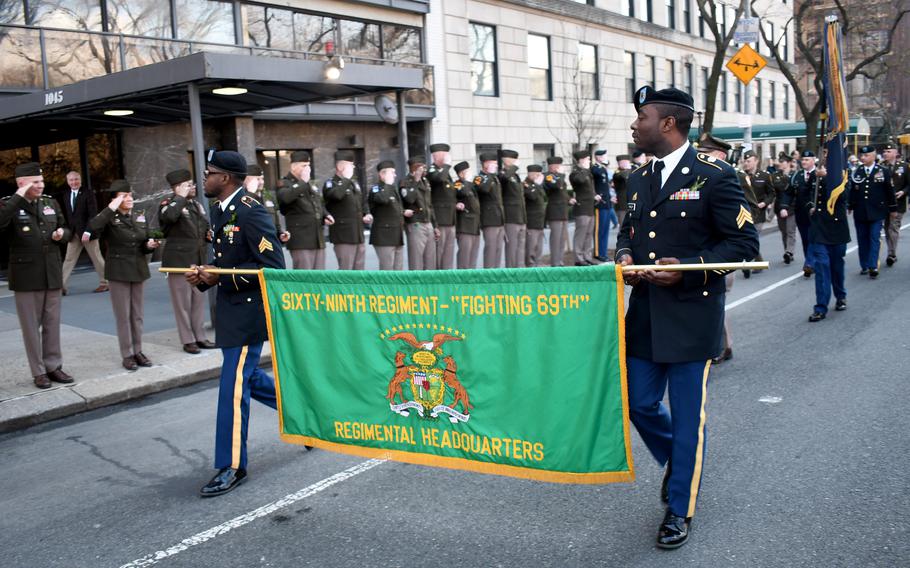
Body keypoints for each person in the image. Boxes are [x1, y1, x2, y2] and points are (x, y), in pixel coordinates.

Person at [616, 86, 759, 549]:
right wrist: (624, 259)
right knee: (638, 403)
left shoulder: (714, 175)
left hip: (691, 315)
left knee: (687, 419)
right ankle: (679, 466)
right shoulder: (638, 178)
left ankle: (680, 508)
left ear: (668, 124)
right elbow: (628, 234)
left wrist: (684, 272)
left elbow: (743, 246)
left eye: (642, 117)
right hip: (644, 318)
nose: (635, 125)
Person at [186, 150, 286, 497]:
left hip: (248, 314)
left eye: (208, 172)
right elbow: (226, 260)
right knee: (251, 378)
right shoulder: (219, 210)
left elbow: (273, 269)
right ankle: (303, 409)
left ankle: (231, 466)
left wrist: (219, 279)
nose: (204, 177)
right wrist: (204, 276)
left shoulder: (251, 211)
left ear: (226, 177)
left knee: (232, 387)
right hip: (229, 311)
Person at [0, 162, 73, 389]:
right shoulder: (8, 205)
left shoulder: (50, 203)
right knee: (31, 327)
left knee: (52, 323)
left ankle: (53, 366)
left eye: (41, 181)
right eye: (35, 182)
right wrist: (18, 196)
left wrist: (62, 234)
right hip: (26, 275)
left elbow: (68, 229)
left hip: (51, 272)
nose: (41, 185)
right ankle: (38, 371)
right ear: (22, 183)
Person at [89, 180, 159, 371]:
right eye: (123, 196)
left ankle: (138, 350)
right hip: (118, 271)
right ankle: (127, 354)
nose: (129, 199)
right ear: (114, 200)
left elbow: (142, 241)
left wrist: (149, 246)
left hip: (137, 268)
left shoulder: (139, 215)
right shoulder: (109, 218)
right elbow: (92, 228)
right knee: (123, 316)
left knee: (137, 315)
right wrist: (110, 208)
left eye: (129, 195)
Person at [158, 169, 215, 354]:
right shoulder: (168, 204)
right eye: (188, 184)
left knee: (198, 300)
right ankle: (187, 339)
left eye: (192, 184)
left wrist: (208, 235)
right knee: (182, 304)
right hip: (178, 262)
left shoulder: (196, 205)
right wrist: (179, 197)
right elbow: (169, 218)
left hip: (197, 259)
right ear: (178, 187)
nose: (193, 187)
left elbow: (204, 226)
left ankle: (200, 336)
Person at [695, 132, 735, 364]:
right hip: (708, 250)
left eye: (705, 153)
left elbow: (743, 211)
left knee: (714, 298)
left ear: (719, 154)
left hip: (722, 250)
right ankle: (725, 344)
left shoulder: (728, 177)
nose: (700, 157)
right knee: (714, 300)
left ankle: (719, 346)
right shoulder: (708, 176)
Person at [807, 153, 851, 322]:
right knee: (822, 266)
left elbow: (844, 197)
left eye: (829, 152)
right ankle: (820, 307)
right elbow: (806, 196)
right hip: (819, 228)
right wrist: (810, 207)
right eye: (824, 153)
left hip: (837, 228)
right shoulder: (814, 174)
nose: (826, 155)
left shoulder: (842, 174)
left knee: (837, 266)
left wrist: (825, 179)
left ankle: (840, 296)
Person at [278, 151, 334, 270]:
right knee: (304, 277)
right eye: (304, 165)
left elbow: (317, 203)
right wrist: (302, 182)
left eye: (308, 165)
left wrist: (326, 215)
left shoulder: (309, 183)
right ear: (293, 166)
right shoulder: (284, 183)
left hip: (317, 237)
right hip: (301, 239)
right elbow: (285, 198)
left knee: (319, 277)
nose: (307, 168)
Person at [848, 145, 895, 279]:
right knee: (862, 239)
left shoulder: (882, 171)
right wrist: (850, 206)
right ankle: (864, 265)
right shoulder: (857, 171)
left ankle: (873, 265)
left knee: (874, 238)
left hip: (877, 211)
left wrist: (893, 208)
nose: (863, 158)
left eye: (866, 155)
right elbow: (853, 190)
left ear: (873, 156)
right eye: (861, 155)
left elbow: (889, 191)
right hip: (860, 211)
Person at [59, 170, 107, 294]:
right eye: (71, 180)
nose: (74, 182)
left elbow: (93, 214)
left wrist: (88, 231)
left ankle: (105, 283)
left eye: (76, 179)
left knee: (96, 258)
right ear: (67, 181)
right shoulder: (65, 194)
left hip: (88, 232)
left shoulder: (88, 193)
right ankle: (60, 286)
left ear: (80, 180)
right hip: (74, 233)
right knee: (69, 259)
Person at [324, 151, 369, 270]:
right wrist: (346, 179)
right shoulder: (331, 183)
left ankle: (358, 290)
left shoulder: (353, 183)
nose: (353, 167)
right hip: (343, 235)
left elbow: (362, 200)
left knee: (359, 270)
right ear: (340, 167)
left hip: (358, 233)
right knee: (346, 270)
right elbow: (336, 195)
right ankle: (343, 290)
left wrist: (366, 213)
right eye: (350, 165)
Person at [737, 150, 772, 277]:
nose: (746, 164)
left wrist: (765, 203)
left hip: (759, 213)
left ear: (756, 161)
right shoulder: (739, 176)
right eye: (745, 161)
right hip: (744, 213)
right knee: (749, 238)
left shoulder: (764, 176)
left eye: (749, 161)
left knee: (751, 237)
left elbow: (771, 193)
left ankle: (747, 262)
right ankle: (757, 261)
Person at [400, 157, 438, 270]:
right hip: (416, 223)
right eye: (422, 167)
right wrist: (416, 181)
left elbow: (429, 205)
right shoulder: (405, 182)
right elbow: (409, 199)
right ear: (414, 169)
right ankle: (416, 287)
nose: (424, 170)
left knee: (431, 259)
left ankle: (429, 286)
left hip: (428, 222)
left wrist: (435, 226)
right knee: (416, 260)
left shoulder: (425, 181)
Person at [368, 161, 405, 270]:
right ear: (382, 175)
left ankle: (397, 288)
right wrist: (387, 185)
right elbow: (382, 199)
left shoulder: (392, 189)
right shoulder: (376, 189)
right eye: (392, 172)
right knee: (387, 270)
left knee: (398, 270)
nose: (395, 175)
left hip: (397, 235)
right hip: (384, 236)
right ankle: (384, 288)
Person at [789, 151, 820, 278]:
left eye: (807, 159)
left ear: (813, 160)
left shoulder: (819, 173)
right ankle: (811, 263)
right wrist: (784, 206)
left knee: (813, 238)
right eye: (803, 160)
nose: (804, 162)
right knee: (806, 240)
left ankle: (809, 263)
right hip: (801, 213)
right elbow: (789, 192)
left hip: (816, 214)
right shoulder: (797, 175)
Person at [427, 143, 457, 269]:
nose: (446, 157)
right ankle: (439, 276)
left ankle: (447, 276)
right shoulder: (432, 170)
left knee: (449, 253)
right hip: (440, 218)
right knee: (439, 252)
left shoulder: (445, 172)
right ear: (435, 156)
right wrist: (447, 165)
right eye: (444, 155)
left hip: (450, 218)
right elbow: (438, 179)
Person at [475, 152, 505, 268]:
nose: (496, 166)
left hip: (498, 218)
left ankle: (496, 274)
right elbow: (484, 190)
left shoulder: (495, 178)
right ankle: (488, 273)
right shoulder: (479, 178)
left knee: (498, 249)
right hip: (489, 218)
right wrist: (490, 176)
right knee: (491, 248)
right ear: (486, 164)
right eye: (493, 164)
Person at [569, 150, 599, 266]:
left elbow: (589, 187)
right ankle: (578, 258)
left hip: (590, 207)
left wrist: (594, 195)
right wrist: (584, 169)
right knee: (580, 234)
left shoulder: (586, 172)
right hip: (581, 208)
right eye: (587, 159)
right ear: (581, 160)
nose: (589, 161)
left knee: (588, 233)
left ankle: (587, 256)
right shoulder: (576, 173)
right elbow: (580, 181)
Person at [499, 149, 527, 268]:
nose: (516, 162)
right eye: (513, 160)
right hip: (510, 217)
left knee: (520, 248)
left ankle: (520, 271)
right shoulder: (502, 174)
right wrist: (514, 167)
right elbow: (504, 178)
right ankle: (511, 272)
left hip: (520, 216)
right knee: (512, 248)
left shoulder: (515, 176)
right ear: (506, 160)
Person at [881, 142, 907, 266]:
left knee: (893, 228)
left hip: (898, 203)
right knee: (886, 228)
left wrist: (904, 191)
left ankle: (892, 254)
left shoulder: (904, 166)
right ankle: (891, 251)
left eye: (889, 151)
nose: (886, 153)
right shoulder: (880, 167)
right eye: (885, 151)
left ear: (896, 153)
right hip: (884, 203)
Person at [543, 156, 569, 267]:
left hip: (563, 211)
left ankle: (560, 261)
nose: (559, 167)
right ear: (551, 166)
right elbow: (557, 186)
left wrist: (569, 199)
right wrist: (561, 175)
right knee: (556, 239)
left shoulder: (558, 177)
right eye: (557, 165)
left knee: (562, 240)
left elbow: (563, 191)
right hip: (554, 211)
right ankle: (555, 262)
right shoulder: (548, 176)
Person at [454, 161, 481, 269]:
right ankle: (462, 281)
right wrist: (467, 181)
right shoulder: (458, 184)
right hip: (465, 227)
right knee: (464, 258)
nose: (470, 174)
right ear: (461, 174)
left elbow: (482, 188)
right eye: (467, 172)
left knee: (473, 259)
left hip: (475, 226)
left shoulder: (471, 185)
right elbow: (463, 192)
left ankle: (471, 281)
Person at [771, 154, 797, 264]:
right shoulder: (775, 176)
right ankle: (787, 251)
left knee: (791, 230)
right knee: (784, 232)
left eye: (783, 161)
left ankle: (789, 252)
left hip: (792, 207)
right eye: (780, 161)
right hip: (779, 207)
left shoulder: (794, 175)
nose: (780, 163)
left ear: (788, 163)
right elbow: (773, 190)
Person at [524, 164, 547, 267]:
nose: (540, 177)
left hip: (539, 221)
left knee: (539, 247)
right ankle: (530, 266)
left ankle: (538, 264)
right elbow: (532, 196)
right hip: (531, 220)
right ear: (531, 174)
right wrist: (537, 185)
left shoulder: (537, 185)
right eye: (538, 175)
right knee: (531, 247)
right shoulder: (525, 184)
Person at [591, 149, 613, 261]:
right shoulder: (595, 168)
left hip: (607, 203)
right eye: (604, 156)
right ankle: (598, 253)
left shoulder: (603, 169)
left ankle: (603, 253)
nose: (606, 157)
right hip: (600, 204)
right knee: (599, 230)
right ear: (598, 157)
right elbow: (592, 179)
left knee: (605, 229)